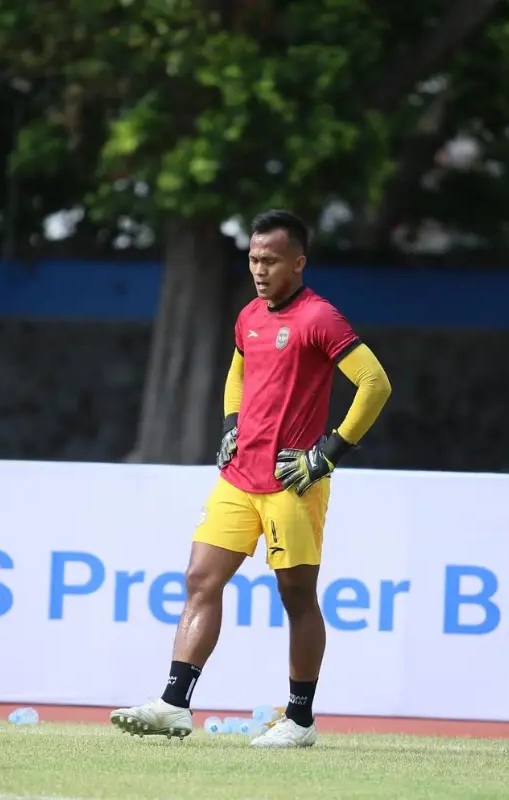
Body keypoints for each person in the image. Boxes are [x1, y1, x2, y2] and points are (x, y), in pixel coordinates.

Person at [110, 210, 392, 748]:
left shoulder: (320, 318)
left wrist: (328, 453)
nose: (259, 270)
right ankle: (173, 704)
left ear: (298, 263)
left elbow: (374, 383)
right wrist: (230, 425)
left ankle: (300, 721)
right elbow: (238, 370)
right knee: (200, 579)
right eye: (253, 259)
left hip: (292, 482)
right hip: (239, 478)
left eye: (270, 261)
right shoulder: (249, 316)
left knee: (297, 596)